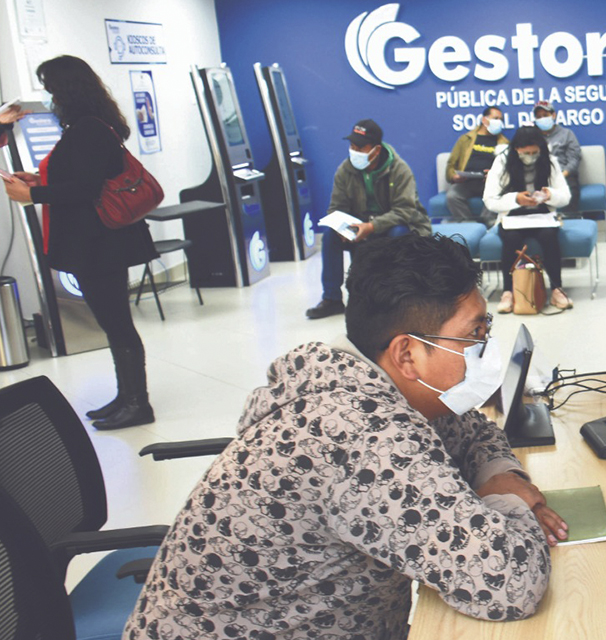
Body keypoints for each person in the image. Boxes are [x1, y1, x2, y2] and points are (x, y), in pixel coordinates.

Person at [123, 234, 566, 639]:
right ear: (407, 353)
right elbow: (508, 581)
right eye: (474, 334)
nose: (485, 347)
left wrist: (498, 472)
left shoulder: (371, 379)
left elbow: (472, 431)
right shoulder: (359, 436)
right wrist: (508, 501)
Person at [2, 56, 159, 430]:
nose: (48, 95)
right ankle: (126, 396)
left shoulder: (87, 129)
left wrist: (32, 196)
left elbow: (86, 189)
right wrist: (38, 183)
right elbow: (81, 178)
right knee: (113, 322)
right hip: (99, 242)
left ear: (66, 89)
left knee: (117, 323)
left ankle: (138, 404)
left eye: (50, 87)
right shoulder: (89, 126)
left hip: (100, 244)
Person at [306, 119, 432, 320]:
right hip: (360, 225)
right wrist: (341, 227)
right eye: (352, 146)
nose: (354, 151)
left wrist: (372, 226)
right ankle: (332, 299)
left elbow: (405, 210)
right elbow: (336, 207)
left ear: (376, 149)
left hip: (397, 225)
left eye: (360, 147)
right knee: (330, 237)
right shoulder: (345, 170)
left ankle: (394, 297)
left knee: (397, 233)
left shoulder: (400, 170)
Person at [483, 126, 573, 314]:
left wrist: (550, 195)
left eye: (535, 152)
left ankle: (557, 289)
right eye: (526, 153)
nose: (531, 156)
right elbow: (489, 199)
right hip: (512, 216)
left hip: (543, 215)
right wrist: (516, 199)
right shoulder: (501, 162)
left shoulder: (549, 161)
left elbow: (565, 196)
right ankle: (508, 292)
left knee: (549, 236)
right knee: (512, 239)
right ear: (516, 149)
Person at [444, 106, 507, 225]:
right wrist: (454, 177)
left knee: (498, 194)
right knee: (452, 196)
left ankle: (487, 224)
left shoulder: (504, 143)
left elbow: (508, 168)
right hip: (466, 182)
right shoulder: (466, 139)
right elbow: (451, 164)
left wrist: (494, 175)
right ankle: (469, 225)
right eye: (495, 118)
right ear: (484, 120)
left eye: (501, 119)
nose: (498, 122)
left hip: (489, 183)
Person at [531, 100, 582, 213]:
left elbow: (574, 158)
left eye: (545, 115)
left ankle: (569, 219)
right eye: (538, 116)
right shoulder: (532, 136)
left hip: (564, 175)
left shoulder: (567, 134)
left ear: (553, 115)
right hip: (538, 176)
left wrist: (561, 176)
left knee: (570, 186)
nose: (542, 118)